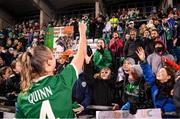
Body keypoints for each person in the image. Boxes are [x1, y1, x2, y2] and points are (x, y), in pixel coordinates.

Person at [15, 23, 87, 118]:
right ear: (48, 64)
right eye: (53, 56)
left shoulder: (22, 97)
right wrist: (82, 32)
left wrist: (68, 107)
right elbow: (81, 54)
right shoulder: (61, 81)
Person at [136, 47, 177, 118]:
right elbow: (148, 74)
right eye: (159, 71)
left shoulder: (175, 88)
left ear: (168, 77)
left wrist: (163, 111)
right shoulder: (154, 85)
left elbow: (174, 104)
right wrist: (143, 61)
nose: (159, 73)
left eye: (162, 72)